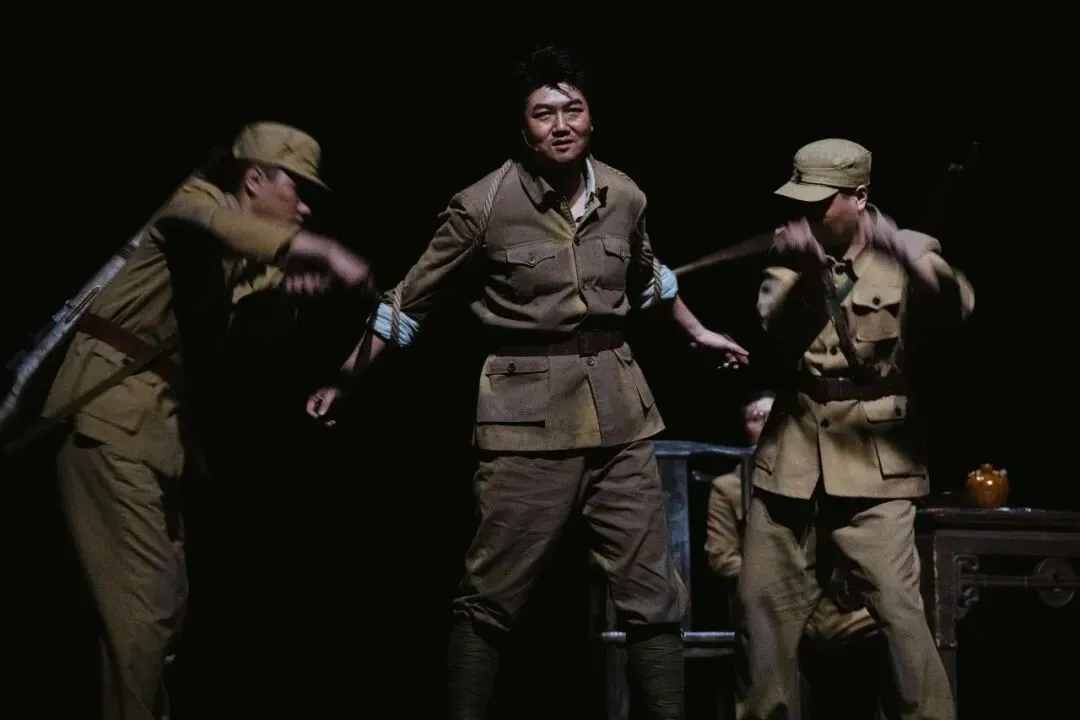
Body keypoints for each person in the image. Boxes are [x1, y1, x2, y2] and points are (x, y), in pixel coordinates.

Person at [308, 44, 749, 719]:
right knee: (492, 595)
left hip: (622, 414)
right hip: (526, 420)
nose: (561, 125)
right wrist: (347, 378)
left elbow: (650, 279)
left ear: (593, 118)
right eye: (544, 114)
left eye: (573, 110)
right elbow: (408, 302)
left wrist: (697, 332)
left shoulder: (625, 195)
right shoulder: (482, 206)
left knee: (654, 596)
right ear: (523, 128)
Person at [39, 121, 372, 720]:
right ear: (254, 179)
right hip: (107, 420)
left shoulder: (244, 255)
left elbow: (248, 335)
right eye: (297, 190)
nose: (304, 208)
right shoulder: (194, 200)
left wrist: (291, 287)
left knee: (159, 612)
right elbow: (209, 225)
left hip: (151, 435)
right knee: (142, 616)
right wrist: (314, 251)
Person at [737, 138, 974, 719]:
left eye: (821, 203)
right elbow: (774, 330)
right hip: (793, 460)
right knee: (760, 614)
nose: (808, 215)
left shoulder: (909, 250)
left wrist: (910, 258)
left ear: (860, 196)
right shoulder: (792, 253)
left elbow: (956, 309)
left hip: (876, 461)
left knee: (899, 614)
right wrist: (807, 272)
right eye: (801, 202)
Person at [704, 389, 879, 718]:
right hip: (772, 600)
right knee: (769, 643)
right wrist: (772, 582)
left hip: (830, 601)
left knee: (886, 628)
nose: (765, 424)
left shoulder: (821, 478)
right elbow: (722, 558)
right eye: (756, 418)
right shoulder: (728, 488)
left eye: (772, 416)